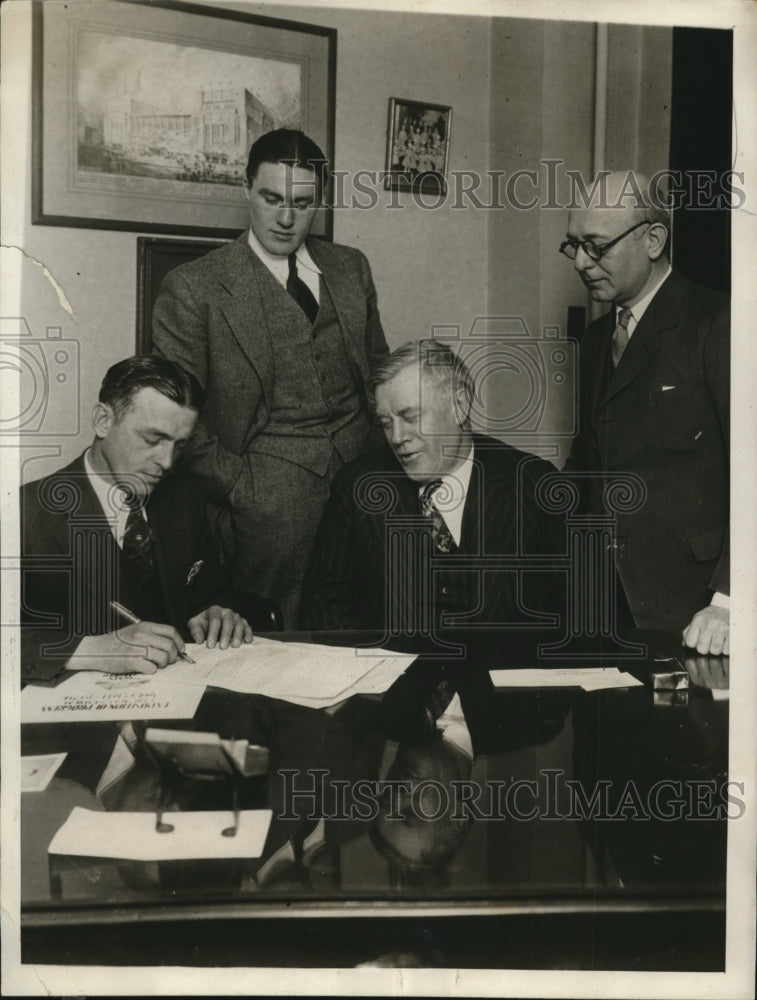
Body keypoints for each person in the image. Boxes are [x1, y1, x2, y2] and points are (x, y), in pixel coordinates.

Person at [152, 128, 389, 627]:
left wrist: (384, 461)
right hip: (267, 500)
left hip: (363, 478)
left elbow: (378, 375)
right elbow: (174, 417)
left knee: (373, 623)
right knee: (272, 642)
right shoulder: (194, 288)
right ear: (246, 189)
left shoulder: (351, 268)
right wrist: (244, 489)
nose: (286, 218)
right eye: (272, 198)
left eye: (302, 204)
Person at [560, 170, 729, 654]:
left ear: (653, 240)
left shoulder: (717, 322)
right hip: (605, 601)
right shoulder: (596, 341)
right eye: (573, 245)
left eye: (596, 245)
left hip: (697, 609)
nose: (581, 262)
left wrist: (730, 601)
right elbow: (586, 467)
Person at [300, 340, 564, 634]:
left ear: (459, 404)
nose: (398, 437)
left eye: (410, 417)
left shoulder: (533, 484)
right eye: (386, 423)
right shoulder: (357, 486)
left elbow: (570, 611)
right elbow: (323, 606)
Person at [20, 356, 252, 681]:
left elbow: (210, 589)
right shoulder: (24, 514)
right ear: (103, 420)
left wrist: (214, 611)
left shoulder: (185, 500)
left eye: (179, 445)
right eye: (152, 440)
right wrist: (92, 648)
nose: (167, 461)